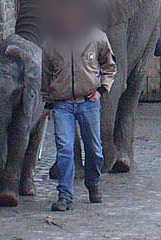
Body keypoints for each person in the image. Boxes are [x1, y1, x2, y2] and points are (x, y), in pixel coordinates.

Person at [42, 25, 117, 211]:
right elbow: (45, 75)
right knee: (65, 149)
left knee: (94, 149)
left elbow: (110, 66)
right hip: (62, 105)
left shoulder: (98, 38)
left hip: (88, 102)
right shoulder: (50, 43)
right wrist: (48, 102)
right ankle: (65, 195)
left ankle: (93, 183)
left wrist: (101, 89)